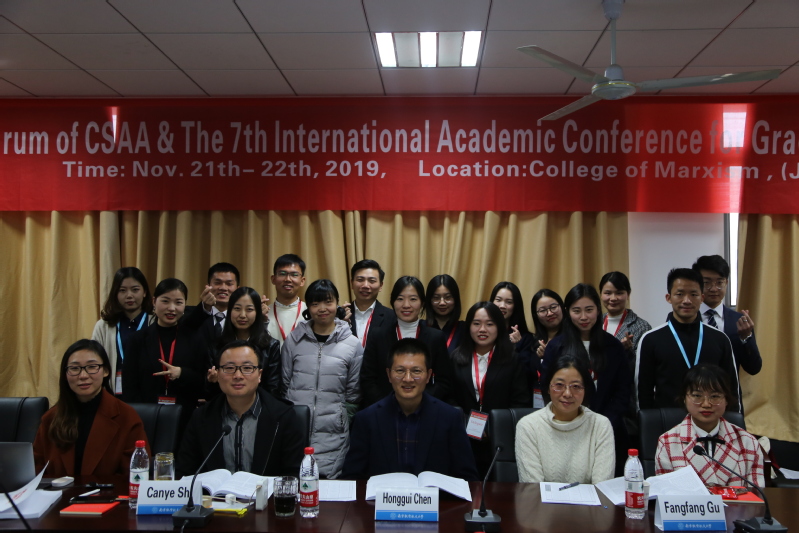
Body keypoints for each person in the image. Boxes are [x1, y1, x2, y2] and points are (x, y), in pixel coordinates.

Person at [342, 338, 478, 481]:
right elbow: (351, 478)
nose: (408, 379)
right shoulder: (366, 419)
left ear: (428, 375)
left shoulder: (450, 418)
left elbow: (468, 479)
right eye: (400, 371)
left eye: (416, 371)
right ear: (389, 375)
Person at [176, 340, 305, 477]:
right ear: (217, 374)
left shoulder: (284, 417)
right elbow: (185, 472)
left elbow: (294, 474)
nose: (238, 376)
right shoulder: (201, 417)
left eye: (247, 368)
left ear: (259, 375)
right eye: (229, 368)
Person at [541, 283, 632, 473]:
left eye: (589, 310)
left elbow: (623, 392)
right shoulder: (556, 347)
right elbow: (548, 390)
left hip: (608, 429)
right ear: (568, 312)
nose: (583, 317)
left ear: (598, 310)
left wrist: (603, 424)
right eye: (577, 311)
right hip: (566, 428)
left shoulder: (613, 346)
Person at [280, 279, 363, 479]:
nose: (322, 309)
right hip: (296, 429)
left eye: (328, 302)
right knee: (296, 483)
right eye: (315, 303)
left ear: (337, 303)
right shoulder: (294, 340)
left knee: (329, 487)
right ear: (308, 307)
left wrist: (340, 419)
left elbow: (353, 394)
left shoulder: (352, 344)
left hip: (334, 432)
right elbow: (285, 383)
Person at [33, 339, 149, 477]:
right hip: (59, 491)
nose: (83, 376)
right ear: (65, 374)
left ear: (106, 371)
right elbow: (35, 472)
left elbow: (137, 475)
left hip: (110, 491)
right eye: (74, 368)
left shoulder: (126, 417)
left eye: (92, 367)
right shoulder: (50, 418)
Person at [636, 268, 740, 412]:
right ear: (668, 297)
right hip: (667, 420)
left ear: (702, 298)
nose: (687, 300)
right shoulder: (651, 339)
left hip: (710, 418)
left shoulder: (719, 339)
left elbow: (732, 388)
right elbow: (643, 391)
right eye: (679, 294)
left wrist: (733, 421)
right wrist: (647, 423)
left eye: (693, 294)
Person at [450, 302, 531, 478]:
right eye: (476, 323)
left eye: (489, 324)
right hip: (463, 438)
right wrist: (466, 423)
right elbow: (449, 397)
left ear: (499, 327)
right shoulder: (455, 358)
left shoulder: (512, 359)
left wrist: (494, 426)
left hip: (500, 441)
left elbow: (520, 401)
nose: (482, 329)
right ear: (469, 326)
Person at [655, 364, 764, 487]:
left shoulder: (748, 442)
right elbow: (666, 494)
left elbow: (757, 494)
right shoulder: (668, 442)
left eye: (715, 396)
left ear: (726, 400)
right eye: (697, 396)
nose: (706, 404)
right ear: (684, 398)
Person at [516, 354, 615, 484]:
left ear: (585, 389)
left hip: (591, 499)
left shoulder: (600, 425)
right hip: (541, 498)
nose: (567, 394)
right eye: (559, 385)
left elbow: (602, 487)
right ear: (548, 387)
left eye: (576, 386)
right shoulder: (528, 426)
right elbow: (533, 489)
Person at [122, 278, 207, 429]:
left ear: (185, 305)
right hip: (146, 417)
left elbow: (203, 380)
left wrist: (182, 373)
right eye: (165, 301)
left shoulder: (195, 339)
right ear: (154, 301)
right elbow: (129, 385)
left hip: (184, 418)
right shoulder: (137, 339)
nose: (172, 308)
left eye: (178, 302)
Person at [359, 276, 453, 407]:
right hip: (384, 409)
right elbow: (368, 379)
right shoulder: (378, 335)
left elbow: (444, 381)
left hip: (424, 409)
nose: (406, 305)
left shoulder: (435, 337)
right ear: (393, 302)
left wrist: (419, 403)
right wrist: (388, 405)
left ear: (422, 303)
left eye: (413, 299)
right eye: (400, 299)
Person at [692, 255, 761, 377]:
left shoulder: (738, 321)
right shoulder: (686, 318)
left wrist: (746, 337)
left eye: (719, 282)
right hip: (694, 386)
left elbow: (753, 368)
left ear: (726, 283)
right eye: (706, 283)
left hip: (728, 388)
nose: (714, 289)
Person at [208, 287, 281, 397]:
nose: (242, 315)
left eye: (249, 309)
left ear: (257, 312)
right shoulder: (216, 346)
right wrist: (213, 381)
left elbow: (273, 388)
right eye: (237, 308)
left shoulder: (270, 346)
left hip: (260, 405)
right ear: (229, 311)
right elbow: (207, 392)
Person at [91, 267, 154, 395]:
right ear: (115, 294)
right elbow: (93, 361)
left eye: (135, 290)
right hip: (112, 394)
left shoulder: (155, 322)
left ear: (144, 292)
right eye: (122, 290)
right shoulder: (103, 326)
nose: (129, 295)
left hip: (148, 394)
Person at [598, 271, 652, 369]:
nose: (613, 298)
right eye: (608, 293)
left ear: (628, 294)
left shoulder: (642, 326)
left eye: (619, 293)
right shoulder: (594, 322)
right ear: (600, 294)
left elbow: (644, 367)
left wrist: (627, 351)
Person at [490, 282, 535, 379]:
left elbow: (526, 374)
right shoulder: (482, 331)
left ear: (515, 306)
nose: (502, 305)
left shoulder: (525, 338)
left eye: (509, 302)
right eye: (498, 300)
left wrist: (514, 348)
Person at [530, 289, 565, 405]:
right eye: (543, 310)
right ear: (536, 315)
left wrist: (549, 357)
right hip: (537, 402)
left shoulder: (572, 339)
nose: (549, 313)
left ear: (562, 307)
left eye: (553, 307)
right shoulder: (533, 342)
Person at [348, 259, 395, 347]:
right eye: (360, 280)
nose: (365, 285)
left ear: (380, 286)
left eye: (372, 281)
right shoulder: (340, 316)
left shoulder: (392, 317)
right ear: (352, 283)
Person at [266, 254, 307, 347]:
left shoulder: (310, 312)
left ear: (302, 281)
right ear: (273, 279)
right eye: (282, 274)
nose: (288, 279)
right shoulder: (264, 314)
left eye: (294, 275)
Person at [425, 274, 463, 354]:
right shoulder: (420, 327)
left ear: (456, 299)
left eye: (448, 297)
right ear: (429, 300)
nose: (442, 303)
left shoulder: (465, 329)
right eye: (436, 298)